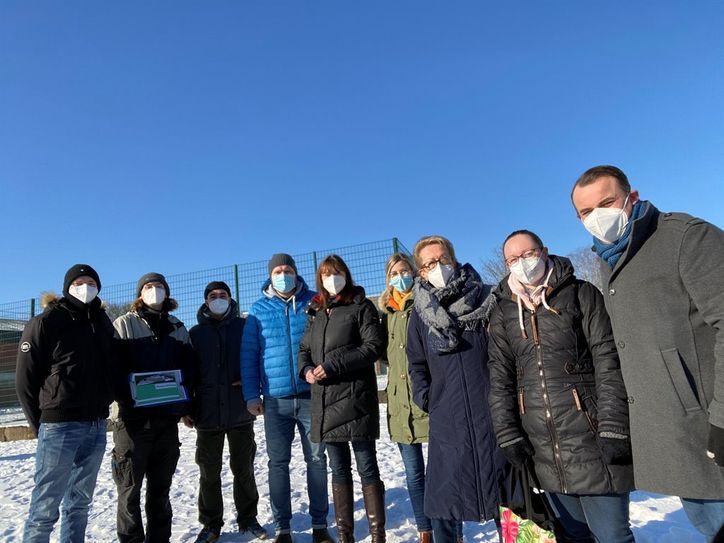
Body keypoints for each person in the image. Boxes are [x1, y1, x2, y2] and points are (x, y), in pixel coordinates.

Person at [570, 165, 724, 539]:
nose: (596, 217)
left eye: (606, 203)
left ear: (631, 198)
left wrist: (722, 418)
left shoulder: (686, 237)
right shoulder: (608, 259)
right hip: (675, 433)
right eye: (585, 213)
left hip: (708, 422)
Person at [487, 230, 635, 542]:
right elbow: (500, 378)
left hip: (592, 438)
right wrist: (508, 434)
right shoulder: (502, 312)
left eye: (527, 254)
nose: (522, 263)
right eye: (513, 259)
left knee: (612, 535)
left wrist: (613, 426)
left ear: (544, 251)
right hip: (541, 447)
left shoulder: (581, 294)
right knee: (572, 535)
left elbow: (608, 360)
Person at [406, 236, 509, 543]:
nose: (438, 267)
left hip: (493, 416)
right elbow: (416, 363)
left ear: (454, 259)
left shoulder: (487, 298)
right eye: (429, 263)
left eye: (443, 259)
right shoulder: (420, 315)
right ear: (421, 272)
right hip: (447, 421)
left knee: (509, 502)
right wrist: (428, 399)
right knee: (445, 503)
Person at [16, 264, 116, 543]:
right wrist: (40, 423)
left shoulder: (102, 321)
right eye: (79, 282)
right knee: (45, 507)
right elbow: (25, 379)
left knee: (79, 503)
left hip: (96, 425)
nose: (86, 287)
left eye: (91, 282)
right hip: (59, 426)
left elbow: (112, 366)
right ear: (67, 287)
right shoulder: (46, 322)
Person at [241, 253, 332, 543]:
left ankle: (320, 524)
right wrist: (251, 395)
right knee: (277, 464)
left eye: (288, 270)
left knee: (317, 460)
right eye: (278, 271)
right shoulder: (257, 310)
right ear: (271, 275)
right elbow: (249, 356)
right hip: (275, 400)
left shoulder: (315, 301)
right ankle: (283, 528)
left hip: (312, 396)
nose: (284, 274)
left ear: (296, 272)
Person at [298, 255, 386, 543]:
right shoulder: (317, 312)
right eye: (325, 275)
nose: (331, 279)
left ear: (346, 275)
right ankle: (345, 535)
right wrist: (306, 369)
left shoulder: (361, 306)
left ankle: (377, 534)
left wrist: (335, 365)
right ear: (319, 280)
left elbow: (373, 346)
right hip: (324, 401)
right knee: (338, 468)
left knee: (366, 466)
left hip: (355, 398)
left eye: (336, 273)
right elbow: (304, 350)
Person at [379, 253, 464, 543]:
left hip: (429, 396)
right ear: (388, 279)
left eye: (404, 271)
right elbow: (383, 353)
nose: (399, 277)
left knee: (444, 471)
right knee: (414, 474)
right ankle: (424, 529)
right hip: (399, 403)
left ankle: (454, 531)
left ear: (414, 274)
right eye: (394, 273)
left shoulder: (427, 302)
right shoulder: (386, 313)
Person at [111, 272, 198, 543]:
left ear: (167, 292)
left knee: (161, 491)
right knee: (129, 492)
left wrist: (184, 406)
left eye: (159, 286)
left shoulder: (178, 328)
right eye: (148, 286)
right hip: (131, 423)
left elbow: (190, 371)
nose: (154, 290)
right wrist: (132, 395)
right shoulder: (123, 325)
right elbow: (112, 370)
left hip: (166, 422)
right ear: (139, 294)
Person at [188, 281, 266, 543]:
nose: (218, 298)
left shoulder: (244, 328)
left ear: (231, 300)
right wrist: (187, 408)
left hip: (239, 412)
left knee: (243, 468)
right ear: (206, 301)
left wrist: (251, 383)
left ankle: (248, 518)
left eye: (223, 295)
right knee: (208, 472)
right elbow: (188, 374)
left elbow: (258, 359)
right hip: (207, 414)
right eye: (212, 296)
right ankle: (211, 524)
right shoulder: (196, 333)